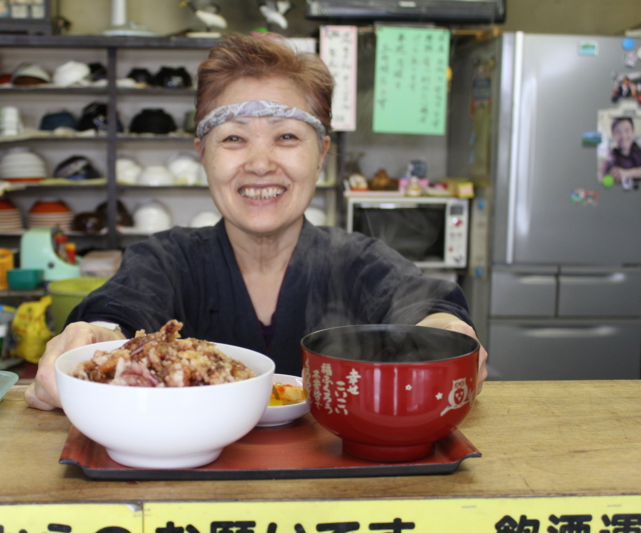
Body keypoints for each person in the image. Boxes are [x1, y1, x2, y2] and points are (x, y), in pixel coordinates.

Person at [25, 34, 489, 411]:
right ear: (202, 155)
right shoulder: (166, 259)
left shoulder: (357, 261)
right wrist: (91, 341)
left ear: (322, 154)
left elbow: (420, 302)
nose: (261, 163)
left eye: (287, 137)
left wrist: (447, 331)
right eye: (233, 138)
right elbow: (120, 311)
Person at [604, 117, 641, 189]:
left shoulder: (639, 152)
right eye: (618, 132)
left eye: (627, 130)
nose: (623, 136)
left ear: (633, 131)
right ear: (613, 135)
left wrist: (625, 173)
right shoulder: (610, 160)